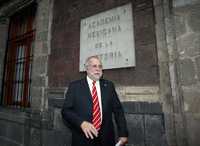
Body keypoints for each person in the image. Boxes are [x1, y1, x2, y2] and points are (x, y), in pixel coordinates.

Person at [61, 55, 128, 146]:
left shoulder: (108, 86)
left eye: (100, 66)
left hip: (106, 139)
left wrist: (123, 133)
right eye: (94, 66)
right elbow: (66, 111)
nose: (98, 69)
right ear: (87, 68)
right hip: (82, 138)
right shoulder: (75, 87)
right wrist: (81, 123)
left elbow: (118, 110)